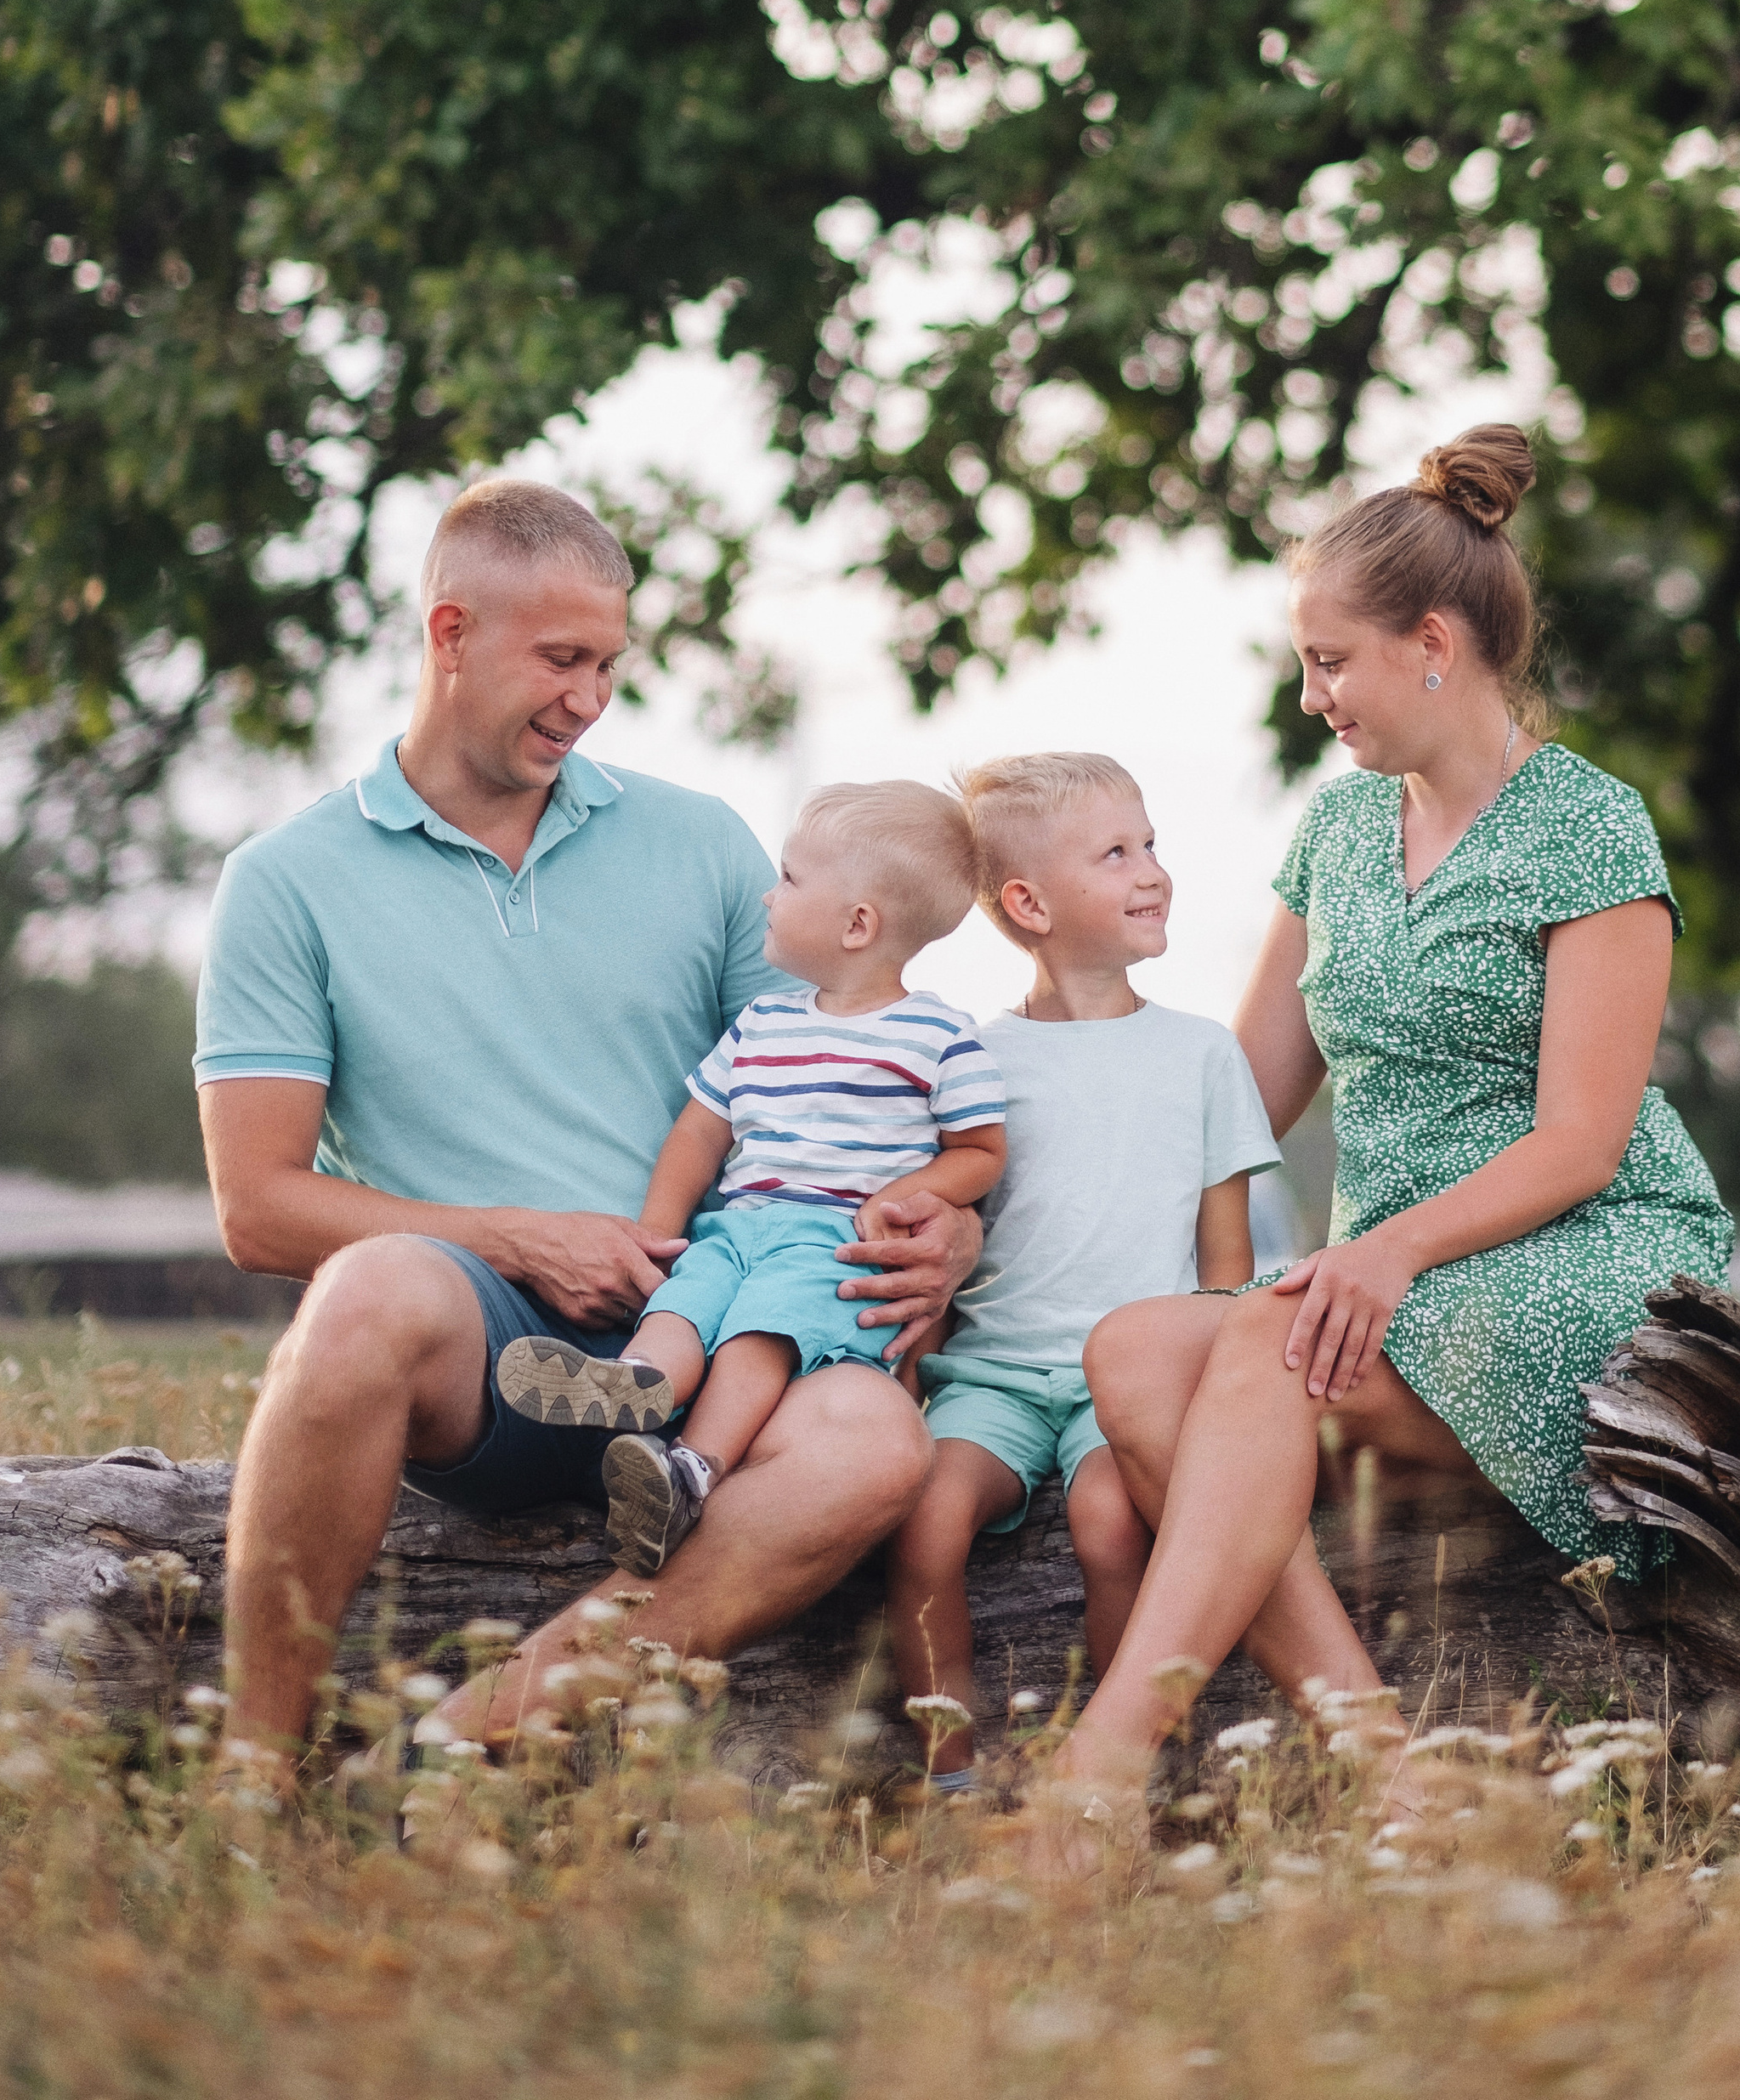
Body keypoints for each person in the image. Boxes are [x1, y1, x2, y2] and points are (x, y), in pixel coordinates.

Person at [196, 478, 979, 1767]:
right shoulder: (288, 883)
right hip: (484, 1356)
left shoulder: (705, 845)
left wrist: (938, 1227)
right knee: (366, 1292)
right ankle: (252, 1777)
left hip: (721, 1333)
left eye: (609, 663)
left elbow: (841, 1084)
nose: (590, 698)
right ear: (451, 635)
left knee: (874, 1444)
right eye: (560, 659)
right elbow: (258, 1206)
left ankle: (449, 1751)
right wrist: (516, 1242)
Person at [1041, 422, 1733, 1841]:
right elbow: (1245, 1086)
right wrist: (1034, 1079)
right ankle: (1390, 1769)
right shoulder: (1339, 830)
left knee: (1250, 1346)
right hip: (1388, 1281)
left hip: (1577, 1255)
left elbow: (1582, 1142)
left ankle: (1103, 1761)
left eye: (1329, 660)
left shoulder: (1593, 831)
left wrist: (1382, 1256)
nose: (1312, 697)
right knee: (1131, 1354)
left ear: (1431, 643)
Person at [491, 781, 1007, 1577]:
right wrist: (656, 1238)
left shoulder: (938, 1035)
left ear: (858, 924)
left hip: (834, 1249)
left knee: (758, 1333)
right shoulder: (764, 1024)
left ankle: (691, 1469)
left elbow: (981, 1150)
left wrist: (902, 1199)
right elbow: (701, 1130)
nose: (770, 893)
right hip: (736, 1225)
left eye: (793, 879)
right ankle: (632, 1386)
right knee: (685, 1303)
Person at [885, 753, 1280, 1780]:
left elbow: (1226, 1266)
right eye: (1116, 853)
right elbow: (939, 1246)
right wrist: (908, 1376)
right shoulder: (972, 1060)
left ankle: (1125, 1775)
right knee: (926, 1517)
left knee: (1109, 1523)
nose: (1151, 870)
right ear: (1028, 902)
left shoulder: (1202, 1053)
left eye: (1149, 844)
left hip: (1127, 1398)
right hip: (994, 1381)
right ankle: (952, 1773)